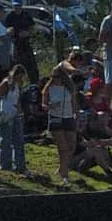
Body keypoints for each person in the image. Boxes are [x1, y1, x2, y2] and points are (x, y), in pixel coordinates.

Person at [43, 58, 80, 186]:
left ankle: (62, 168)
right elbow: (44, 104)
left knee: (72, 145)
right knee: (63, 147)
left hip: (68, 116)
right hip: (55, 117)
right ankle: (64, 173)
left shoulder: (69, 88)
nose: (55, 79)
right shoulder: (49, 88)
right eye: (53, 76)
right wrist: (49, 107)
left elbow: (74, 103)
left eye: (57, 76)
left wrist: (77, 116)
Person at [0, 68, 27, 175]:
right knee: (6, 140)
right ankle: (5, 164)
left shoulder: (17, 86)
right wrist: (0, 110)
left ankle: (20, 165)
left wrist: (21, 113)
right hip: (6, 114)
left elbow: (17, 101)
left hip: (15, 113)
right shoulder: (6, 83)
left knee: (19, 140)